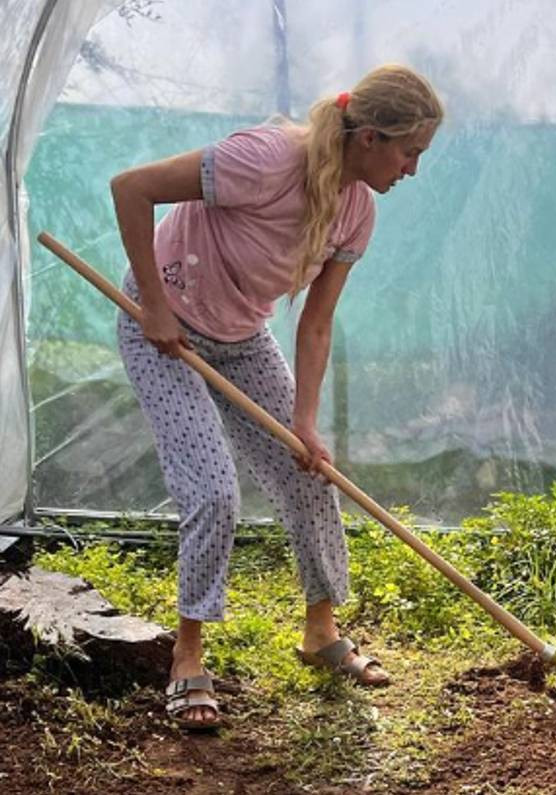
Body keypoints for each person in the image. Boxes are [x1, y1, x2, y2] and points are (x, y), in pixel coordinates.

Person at [111, 63, 443, 729]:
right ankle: (187, 654)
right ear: (371, 137)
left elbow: (315, 322)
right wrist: (152, 305)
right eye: (410, 152)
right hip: (165, 330)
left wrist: (305, 422)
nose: (412, 169)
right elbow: (131, 187)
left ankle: (320, 633)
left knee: (308, 472)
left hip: (240, 336)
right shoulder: (261, 161)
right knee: (212, 491)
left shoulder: (357, 211)